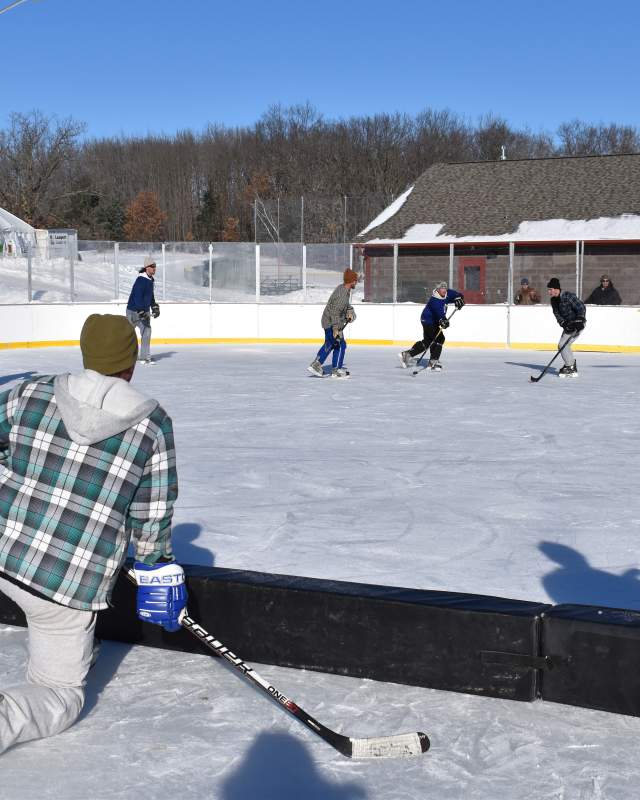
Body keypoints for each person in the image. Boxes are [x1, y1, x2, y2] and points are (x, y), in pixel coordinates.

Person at [0, 314, 185, 755]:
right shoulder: (152, 424)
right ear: (132, 361)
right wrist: (157, 569)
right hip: (63, 586)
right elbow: (151, 515)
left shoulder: (28, 392)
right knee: (59, 694)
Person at [398, 281, 464, 371]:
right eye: (442, 288)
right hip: (428, 321)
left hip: (432, 321)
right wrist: (443, 321)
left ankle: (407, 355)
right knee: (440, 339)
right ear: (437, 289)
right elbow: (439, 314)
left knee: (427, 342)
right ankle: (433, 362)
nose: (444, 290)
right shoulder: (435, 300)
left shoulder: (448, 293)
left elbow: (458, 295)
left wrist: (459, 299)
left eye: (445, 287)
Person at [308, 268, 358, 379]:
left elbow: (342, 306)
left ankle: (317, 364)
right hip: (332, 322)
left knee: (331, 343)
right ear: (352, 281)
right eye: (355, 280)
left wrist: (349, 310)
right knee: (340, 344)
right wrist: (336, 329)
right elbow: (335, 311)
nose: (356, 282)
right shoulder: (343, 294)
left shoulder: (343, 289)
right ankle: (336, 370)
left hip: (328, 320)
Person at [546, 277, 586, 377]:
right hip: (569, 326)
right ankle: (571, 365)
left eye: (550, 289)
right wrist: (563, 323)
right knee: (563, 345)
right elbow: (557, 314)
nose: (549, 292)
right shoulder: (553, 301)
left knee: (563, 344)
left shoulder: (568, 296)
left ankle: (570, 366)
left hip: (578, 324)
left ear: (556, 289)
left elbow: (581, 307)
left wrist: (580, 319)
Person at [126, 255, 160, 365]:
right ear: (147, 268)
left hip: (143, 311)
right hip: (133, 311)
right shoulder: (141, 280)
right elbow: (137, 296)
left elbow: (150, 296)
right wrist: (140, 310)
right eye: (152, 266)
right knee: (128, 335)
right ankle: (124, 356)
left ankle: (144, 357)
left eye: (155, 266)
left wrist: (154, 306)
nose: (154, 268)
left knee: (147, 332)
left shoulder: (150, 280)